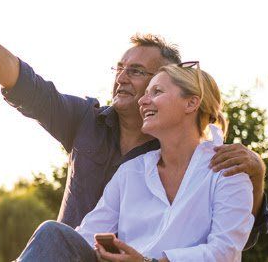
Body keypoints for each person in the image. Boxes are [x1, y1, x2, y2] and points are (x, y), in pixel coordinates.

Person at [0, 0, 268, 247]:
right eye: (120, 67)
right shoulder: (86, 120)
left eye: (139, 73)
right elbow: (24, 85)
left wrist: (256, 175)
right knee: (53, 234)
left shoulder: (186, 153)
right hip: (74, 256)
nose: (122, 77)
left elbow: (239, 238)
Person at [17, 63, 253, 261]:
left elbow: (225, 252)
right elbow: (86, 237)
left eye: (157, 92)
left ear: (191, 103)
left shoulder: (227, 169)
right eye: (145, 93)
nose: (143, 101)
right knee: (54, 234)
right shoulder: (131, 172)